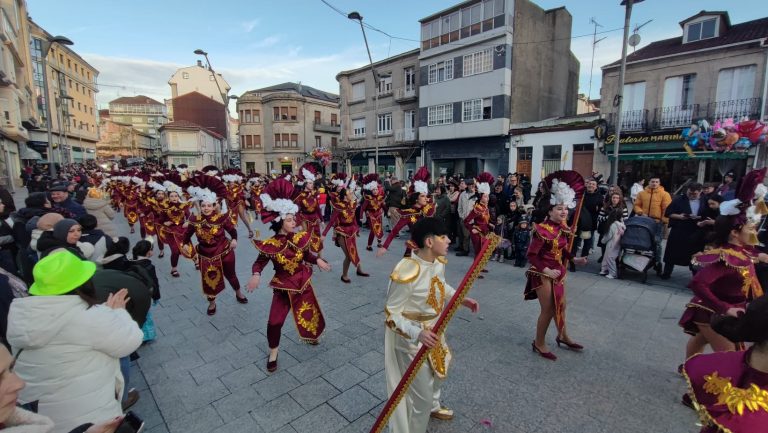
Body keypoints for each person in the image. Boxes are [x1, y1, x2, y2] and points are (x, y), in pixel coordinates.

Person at [6, 251, 143, 433]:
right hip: (88, 415)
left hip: (40, 415)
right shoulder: (88, 319)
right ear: (84, 283)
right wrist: (118, 313)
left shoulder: (22, 316)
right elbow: (131, 339)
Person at [384, 217, 479, 433]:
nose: (448, 241)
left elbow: (439, 285)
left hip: (435, 329)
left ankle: (434, 405)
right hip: (411, 339)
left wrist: (460, 298)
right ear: (429, 242)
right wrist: (417, 333)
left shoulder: (437, 262)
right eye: (443, 237)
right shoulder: (407, 272)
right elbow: (391, 314)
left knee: (440, 369)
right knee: (421, 399)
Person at [679, 169, 768, 362]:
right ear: (735, 233)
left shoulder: (744, 251)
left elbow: (755, 254)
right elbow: (698, 283)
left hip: (730, 309)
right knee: (733, 356)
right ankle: (701, 381)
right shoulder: (725, 258)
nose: (754, 230)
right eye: (749, 227)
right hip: (712, 311)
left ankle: (688, 367)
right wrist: (724, 308)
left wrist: (761, 256)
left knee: (701, 340)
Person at [248, 177, 331, 372]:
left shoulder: (299, 238)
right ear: (279, 221)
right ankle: (274, 352)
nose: (294, 222)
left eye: (294, 218)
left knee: (311, 312)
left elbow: (306, 254)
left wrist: (317, 260)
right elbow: (259, 262)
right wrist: (256, 275)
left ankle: (312, 335)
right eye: (289, 219)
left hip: (303, 283)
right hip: (283, 288)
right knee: (274, 322)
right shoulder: (270, 244)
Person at [681, 295, 768, 432]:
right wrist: (724, 307)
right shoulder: (717, 369)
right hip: (709, 311)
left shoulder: (717, 366)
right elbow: (699, 283)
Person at [525, 173, 588, 361]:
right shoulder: (541, 230)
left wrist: (573, 259)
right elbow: (531, 255)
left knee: (562, 305)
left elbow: (562, 249)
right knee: (549, 309)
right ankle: (539, 342)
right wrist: (545, 270)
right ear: (550, 211)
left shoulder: (562, 228)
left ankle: (563, 336)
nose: (563, 212)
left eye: (565, 209)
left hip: (558, 272)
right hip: (541, 272)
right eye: (559, 209)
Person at [184, 174, 247, 315]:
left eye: (209, 205)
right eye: (203, 205)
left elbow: (232, 231)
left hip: (225, 252)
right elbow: (187, 235)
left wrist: (235, 240)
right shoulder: (194, 219)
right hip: (205, 256)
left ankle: (238, 292)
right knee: (208, 280)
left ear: (214, 206)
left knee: (231, 276)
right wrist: (184, 244)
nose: (206, 208)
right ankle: (212, 303)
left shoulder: (221, 218)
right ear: (199, 206)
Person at [378, 167, 436, 259]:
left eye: (426, 195)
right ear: (416, 198)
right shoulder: (408, 214)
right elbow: (394, 231)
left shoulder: (427, 210)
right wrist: (385, 247)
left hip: (428, 250)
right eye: (423, 196)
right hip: (414, 251)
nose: (426, 198)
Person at [323, 179, 369, 283]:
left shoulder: (352, 205)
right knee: (348, 255)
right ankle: (344, 275)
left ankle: (359, 270)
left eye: (352, 193)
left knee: (354, 251)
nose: (352, 194)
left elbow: (354, 220)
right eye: (350, 193)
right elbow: (331, 222)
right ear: (345, 196)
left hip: (351, 231)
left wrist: (357, 229)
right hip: (341, 232)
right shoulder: (339, 207)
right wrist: (324, 234)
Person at [662, 183, 707, 279]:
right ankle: (667, 272)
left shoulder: (705, 201)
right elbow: (668, 213)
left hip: (696, 230)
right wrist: (679, 216)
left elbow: (709, 214)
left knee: (695, 253)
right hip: (680, 229)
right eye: (690, 193)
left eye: (694, 194)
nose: (691, 195)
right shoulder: (679, 199)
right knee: (672, 251)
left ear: (700, 192)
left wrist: (700, 217)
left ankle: (696, 276)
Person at [158, 181, 194, 278]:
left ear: (178, 197)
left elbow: (190, 216)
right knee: (175, 251)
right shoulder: (165, 207)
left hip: (183, 230)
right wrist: (165, 223)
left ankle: (196, 261)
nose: (174, 198)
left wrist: (187, 222)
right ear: (168, 197)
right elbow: (160, 220)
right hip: (171, 232)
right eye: (172, 196)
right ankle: (174, 268)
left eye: (176, 196)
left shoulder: (183, 206)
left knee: (189, 247)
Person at [633, 175, 672, 261]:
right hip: (643, 220)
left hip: (657, 222)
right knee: (640, 240)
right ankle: (638, 259)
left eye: (656, 182)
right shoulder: (641, 193)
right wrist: (640, 212)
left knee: (657, 242)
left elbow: (666, 209)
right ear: (649, 182)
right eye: (652, 182)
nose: (654, 183)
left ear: (659, 183)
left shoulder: (665, 194)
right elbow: (636, 205)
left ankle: (657, 262)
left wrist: (664, 221)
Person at [463, 173, 494, 263]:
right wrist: (472, 228)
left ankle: (480, 268)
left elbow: (484, 220)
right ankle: (475, 270)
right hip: (477, 234)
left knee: (483, 251)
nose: (487, 198)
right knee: (478, 251)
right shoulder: (477, 208)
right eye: (485, 196)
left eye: (488, 196)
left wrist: (489, 223)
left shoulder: (485, 207)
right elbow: (466, 221)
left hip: (485, 232)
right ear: (481, 197)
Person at [361, 174, 386, 251]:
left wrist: (387, 212)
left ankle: (379, 242)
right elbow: (362, 208)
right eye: (373, 190)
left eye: (376, 190)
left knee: (379, 229)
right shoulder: (368, 199)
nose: (375, 191)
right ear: (371, 191)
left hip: (378, 215)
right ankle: (369, 245)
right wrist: (361, 217)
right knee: (373, 230)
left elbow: (383, 206)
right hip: (370, 215)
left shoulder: (380, 198)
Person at [599, 209, 626, 279]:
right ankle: (604, 270)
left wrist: (603, 241)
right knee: (610, 257)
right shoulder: (622, 225)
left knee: (609, 258)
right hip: (618, 243)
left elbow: (608, 236)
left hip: (611, 244)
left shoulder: (613, 225)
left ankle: (612, 273)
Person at [455, 179, 476, 256]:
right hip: (463, 218)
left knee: (467, 235)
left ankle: (466, 250)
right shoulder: (463, 194)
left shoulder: (476, 195)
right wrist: (461, 216)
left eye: (472, 185)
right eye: (469, 185)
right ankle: (462, 247)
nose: (471, 186)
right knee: (461, 234)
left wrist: (473, 218)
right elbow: (459, 207)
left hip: (472, 219)